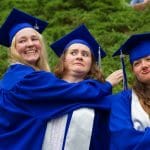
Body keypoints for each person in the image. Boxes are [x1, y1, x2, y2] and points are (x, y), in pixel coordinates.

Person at [0, 8, 121, 150]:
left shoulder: (25, 78)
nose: (30, 44)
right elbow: (72, 93)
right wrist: (106, 85)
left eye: (34, 39)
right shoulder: (27, 79)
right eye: (22, 41)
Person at [42, 24, 123, 150]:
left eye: (85, 54)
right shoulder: (47, 90)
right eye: (73, 53)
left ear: (91, 63)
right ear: (64, 60)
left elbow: (103, 138)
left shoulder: (101, 98)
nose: (79, 56)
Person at [102, 32, 150, 149]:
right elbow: (122, 140)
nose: (144, 65)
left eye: (148, 59)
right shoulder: (123, 100)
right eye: (137, 63)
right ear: (133, 71)